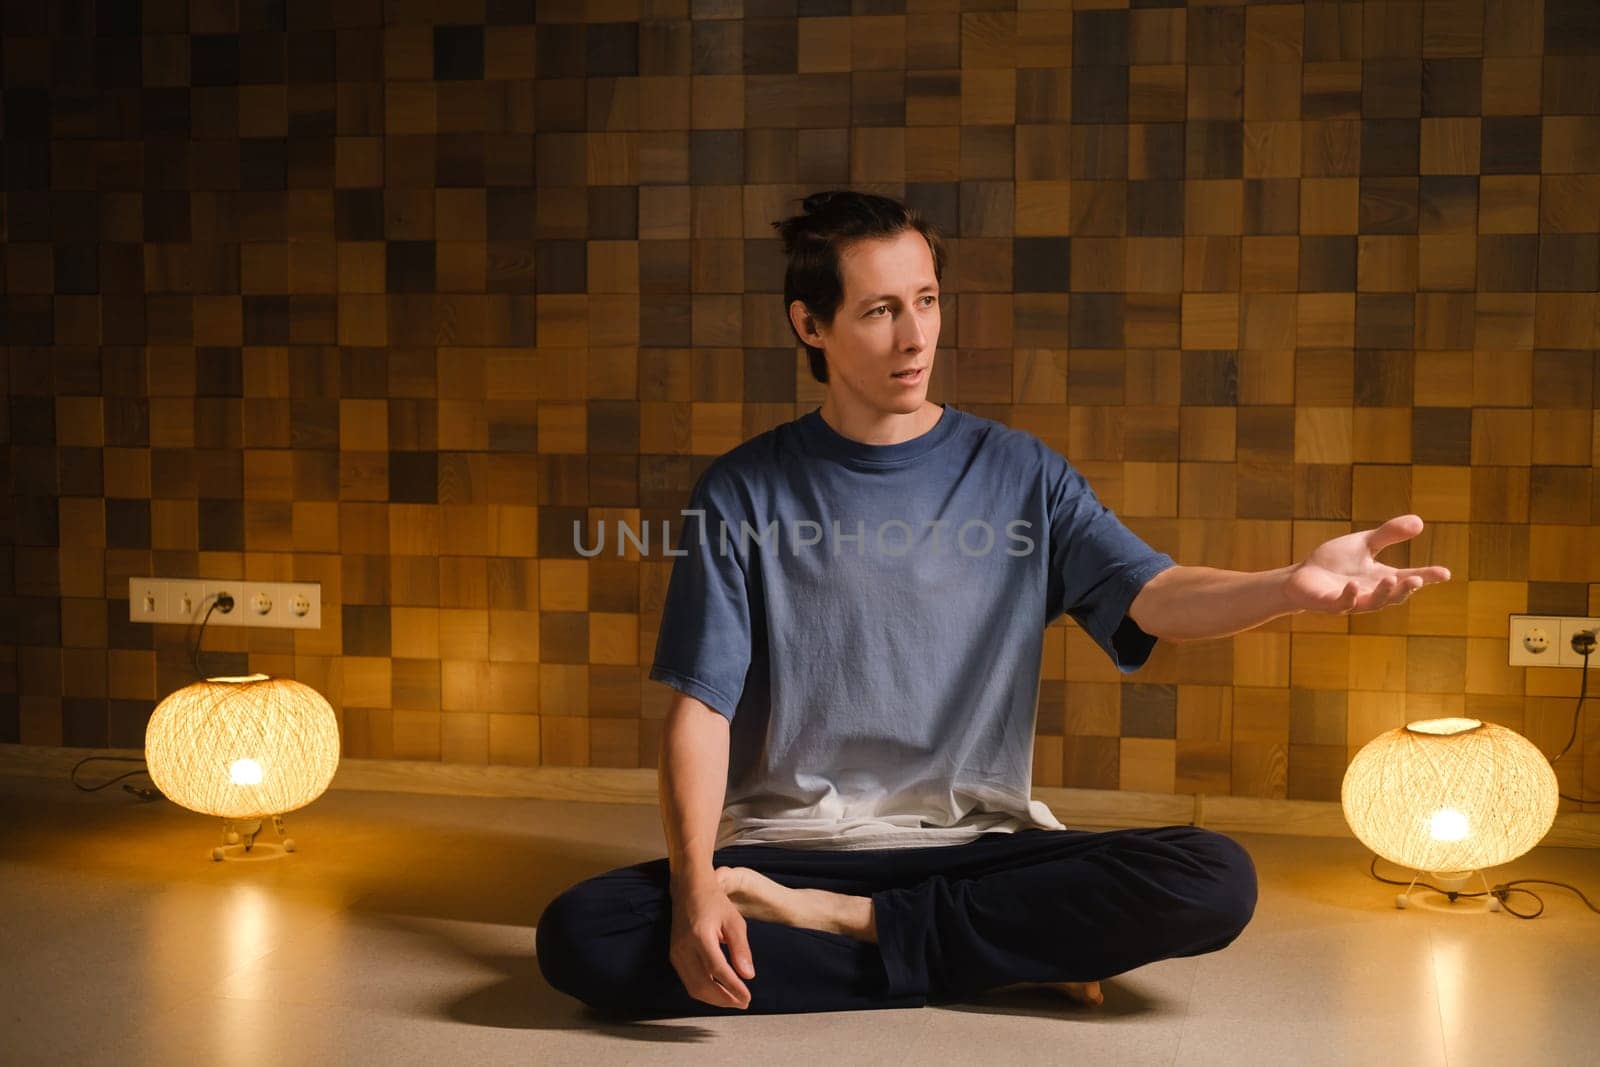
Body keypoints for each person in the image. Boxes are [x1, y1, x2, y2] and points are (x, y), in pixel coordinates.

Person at [535, 191, 1451, 1020]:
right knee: (582, 935)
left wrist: (1286, 588)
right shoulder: (743, 491)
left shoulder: (1020, 472)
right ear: (809, 325)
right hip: (791, 847)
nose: (914, 338)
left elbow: (1156, 594)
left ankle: (854, 926)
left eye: (926, 300)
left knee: (1214, 877)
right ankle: (997, 952)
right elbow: (702, 709)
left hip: (976, 840)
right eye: (880, 310)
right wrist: (699, 884)